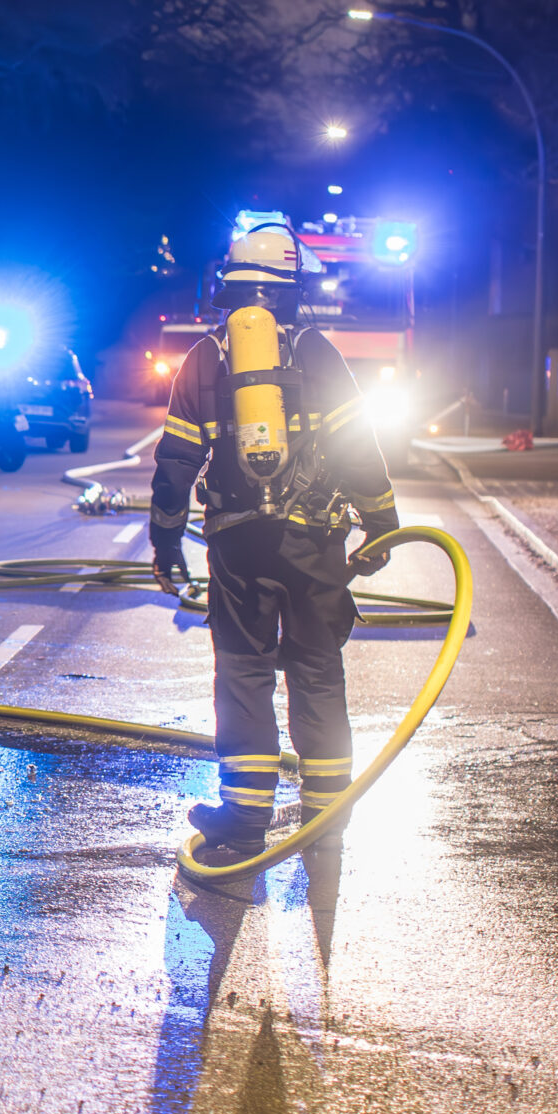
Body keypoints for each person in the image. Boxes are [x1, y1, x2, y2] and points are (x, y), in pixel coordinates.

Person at [149, 225, 399, 856]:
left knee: (243, 670)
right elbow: (359, 448)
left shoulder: (205, 358)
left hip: (238, 544)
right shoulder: (319, 353)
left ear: (229, 288)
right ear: (290, 291)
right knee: (317, 667)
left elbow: (176, 462)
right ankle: (326, 813)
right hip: (315, 541)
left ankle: (246, 815)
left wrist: (166, 542)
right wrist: (383, 523)